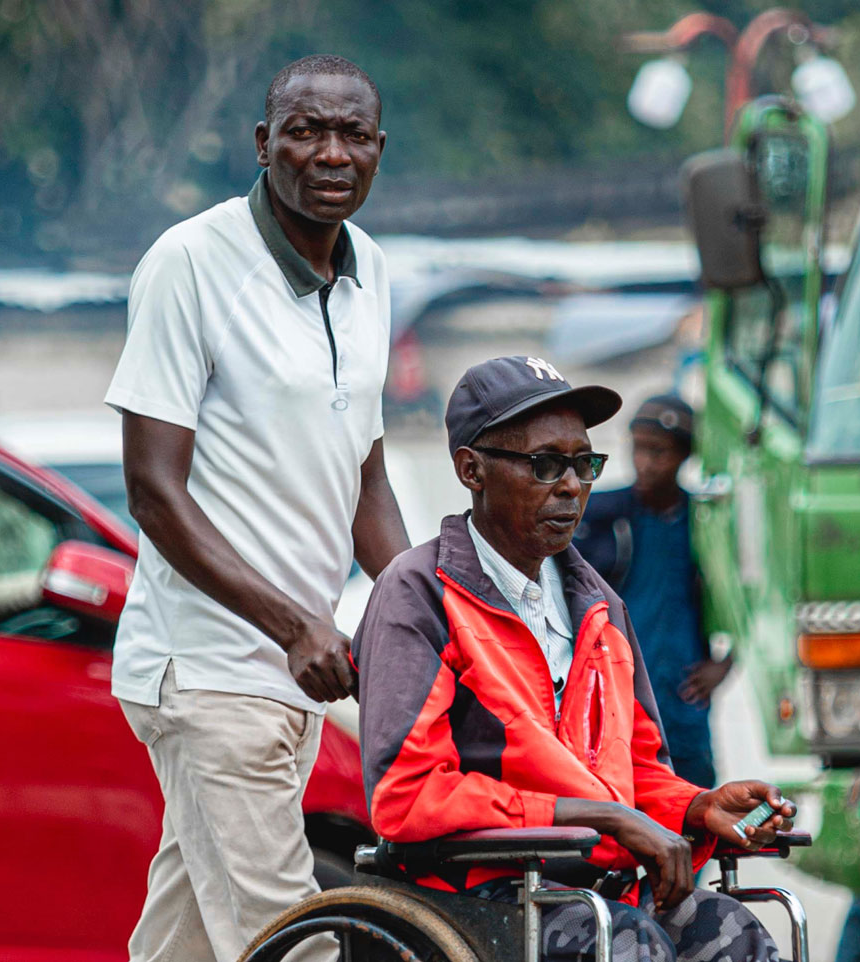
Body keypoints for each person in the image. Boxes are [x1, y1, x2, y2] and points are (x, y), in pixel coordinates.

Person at [103, 54, 409, 962]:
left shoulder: (374, 275)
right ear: (263, 142)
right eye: (305, 130)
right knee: (293, 941)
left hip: (294, 681)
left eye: (352, 134)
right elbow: (153, 490)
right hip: (210, 670)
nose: (329, 154)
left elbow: (368, 476)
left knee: (187, 942)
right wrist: (292, 624)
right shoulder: (190, 262)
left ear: (379, 149)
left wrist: (433, 611)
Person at [354, 355, 793, 962]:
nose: (571, 485)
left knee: (732, 930)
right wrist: (601, 818)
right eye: (545, 464)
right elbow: (407, 796)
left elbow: (633, 775)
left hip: (593, 889)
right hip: (475, 891)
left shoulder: (599, 605)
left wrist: (697, 806)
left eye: (584, 464)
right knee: (625, 940)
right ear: (470, 469)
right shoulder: (419, 592)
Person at [573, 394, 728, 788]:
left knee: (694, 799)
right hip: (617, 688)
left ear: (685, 457)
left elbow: (755, 594)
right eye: (638, 449)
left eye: (658, 452)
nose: (645, 462)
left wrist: (726, 665)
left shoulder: (706, 521)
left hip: (683, 693)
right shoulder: (601, 514)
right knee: (620, 792)